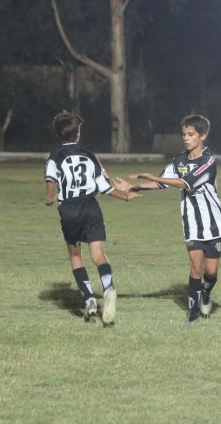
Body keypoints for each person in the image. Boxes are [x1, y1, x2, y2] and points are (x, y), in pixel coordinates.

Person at [115, 114, 221, 323]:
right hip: (192, 223)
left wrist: (153, 176)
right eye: (184, 134)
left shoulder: (208, 161)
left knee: (211, 273)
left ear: (202, 136)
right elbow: (162, 183)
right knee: (196, 267)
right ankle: (193, 314)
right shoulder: (179, 160)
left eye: (191, 134)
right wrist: (135, 187)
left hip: (213, 224)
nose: (186, 138)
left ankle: (206, 293)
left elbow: (185, 183)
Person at [44, 111, 141, 324]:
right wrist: (125, 196)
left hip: (69, 208)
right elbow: (105, 187)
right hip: (90, 206)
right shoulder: (90, 155)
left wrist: (49, 197)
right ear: (78, 134)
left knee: (75, 254)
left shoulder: (54, 156)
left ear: (58, 134)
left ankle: (89, 300)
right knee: (99, 255)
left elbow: (50, 179)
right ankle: (108, 288)